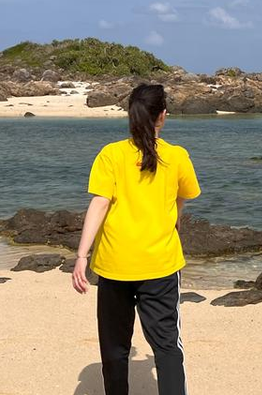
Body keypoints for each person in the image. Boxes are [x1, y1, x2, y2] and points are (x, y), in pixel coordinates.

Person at [71, 84, 200, 395]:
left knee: (114, 347)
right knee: (167, 346)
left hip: (115, 263)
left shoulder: (111, 154)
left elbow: (99, 203)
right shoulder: (176, 156)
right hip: (160, 264)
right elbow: (183, 197)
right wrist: (175, 220)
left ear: (130, 115)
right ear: (162, 116)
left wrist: (81, 256)